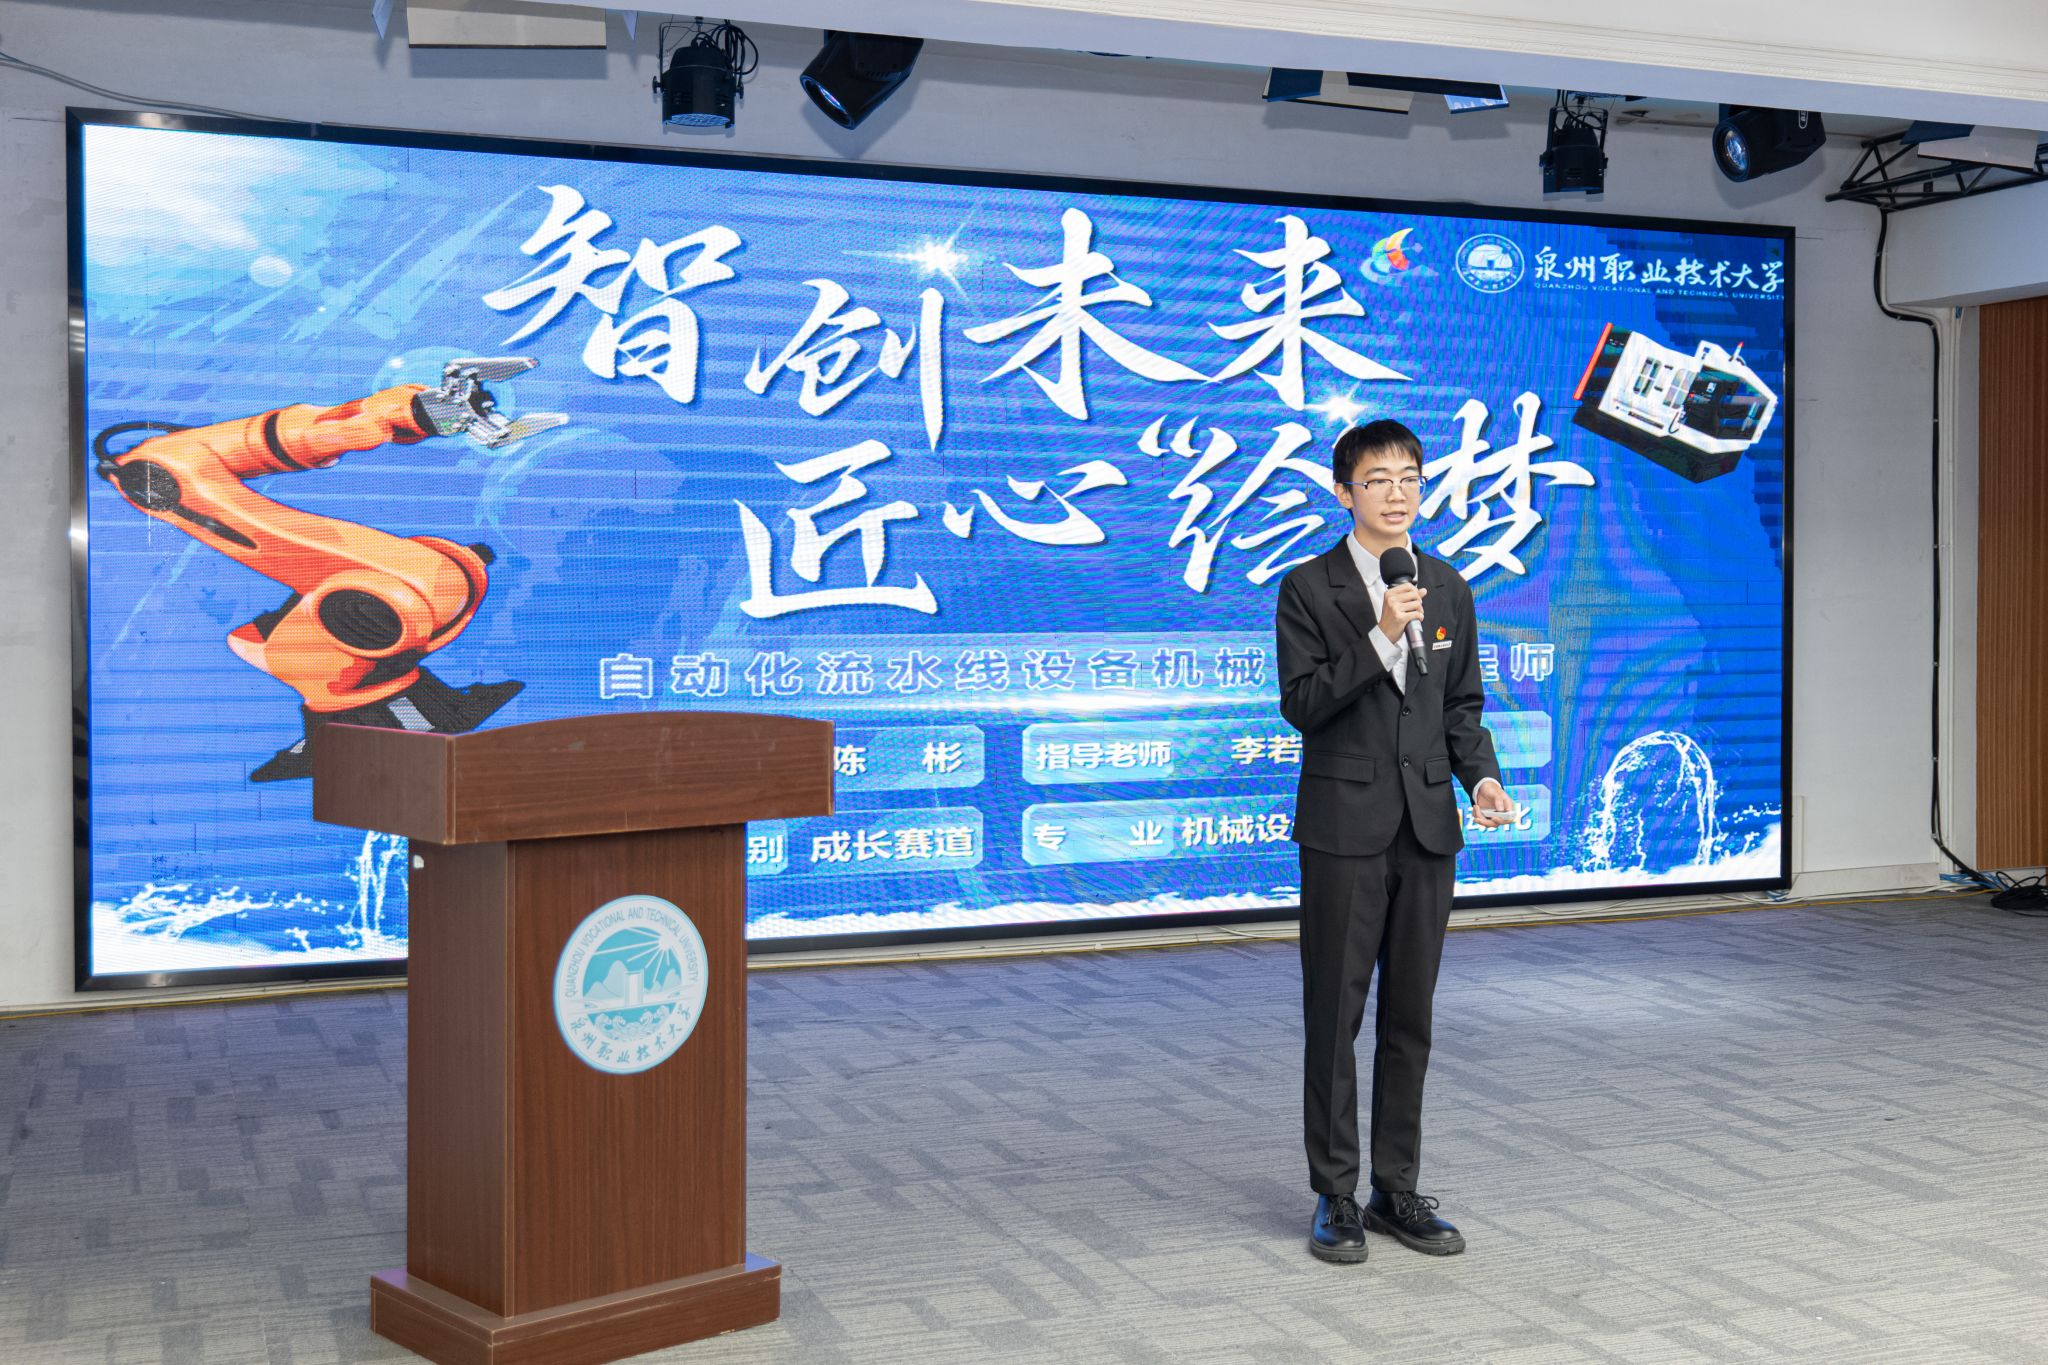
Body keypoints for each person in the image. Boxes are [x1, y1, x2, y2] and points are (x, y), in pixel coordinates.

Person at [1274, 418, 1517, 1265]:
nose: (1397, 492)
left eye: (1410, 476)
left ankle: (1395, 1186)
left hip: (1428, 829)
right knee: (1335, 1016)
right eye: (1377, 479)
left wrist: (1481, 778)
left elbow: (1460, 707)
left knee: (1410, 1017)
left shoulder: (1445, 585)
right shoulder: (1308, 588)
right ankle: (1334, 1192)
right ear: (1343, 491)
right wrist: (1380, 634)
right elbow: (1304, 704)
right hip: (1344, 831)